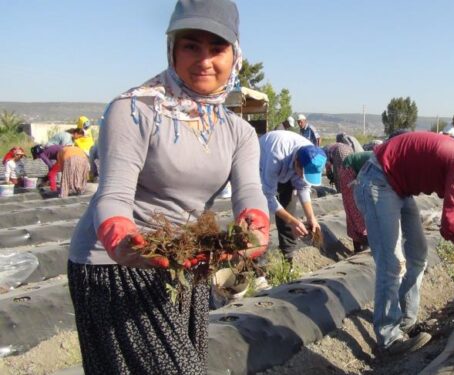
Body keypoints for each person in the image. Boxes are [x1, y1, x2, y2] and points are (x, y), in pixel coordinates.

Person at [66, 1, 270, 373]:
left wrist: (255, 225)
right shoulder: (134, 109)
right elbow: (113, 195)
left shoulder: (237, 130)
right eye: (191, 45)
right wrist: (121, 239)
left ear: (235, 54)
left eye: (217, 48)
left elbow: (250, 192)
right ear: (172, 49)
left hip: (183, 264)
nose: (204, 60)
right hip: (115, 264)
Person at [354, 132, 454, 354]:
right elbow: (450, 224)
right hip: (378, 179)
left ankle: (406, 322)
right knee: (392, 263)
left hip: (400, 187)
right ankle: (388, 339)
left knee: (418, 256)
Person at [260, 130, 327, 267]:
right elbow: (267, 196)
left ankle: (288, 260)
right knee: (260, 215)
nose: (303, 178)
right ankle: (258, 264)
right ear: (296, 162)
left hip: (287, 173)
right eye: (303, 174)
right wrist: (292, 221)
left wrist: (311, 218)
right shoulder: (276, 155)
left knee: (289, 213)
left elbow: (303, 188)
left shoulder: (311, 155)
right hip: (261, 168)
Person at [325, 142, 368, 252]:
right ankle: (361, 241)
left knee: (357, 206)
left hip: (355, 168)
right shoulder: (331, 152)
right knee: (353, 207)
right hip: (348, 168)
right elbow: (332, 168)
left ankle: (362, 240)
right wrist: (338, 183)